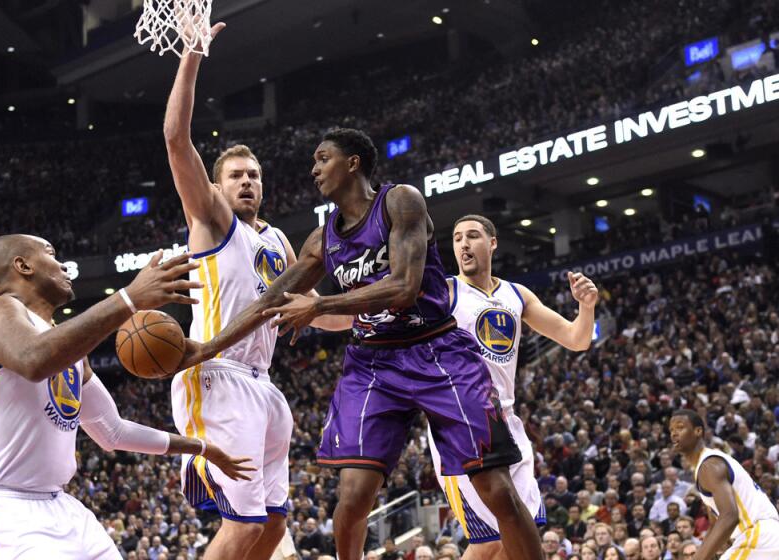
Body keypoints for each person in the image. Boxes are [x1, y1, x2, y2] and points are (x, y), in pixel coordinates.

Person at [199, 128, 544, 560]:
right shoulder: (323, 237)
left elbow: (403, 286)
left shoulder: (400, 201)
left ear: (353, 163)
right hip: (373, 363)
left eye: (323, 158)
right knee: (352, 499)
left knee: (497, 490)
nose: (314, 169)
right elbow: (269, 301)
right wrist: (205, 348)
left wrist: (321, 303)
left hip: (436, 348)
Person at [0, 235, 253, 559]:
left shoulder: (73, 354)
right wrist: (129, 298)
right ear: (23, 265)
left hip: (59, 506)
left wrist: (202, 447)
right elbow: (32, 360)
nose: (63, 264)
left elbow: (112, 431)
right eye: (51, 253)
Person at [162, 22, 349, 560]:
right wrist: (192, 56)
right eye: (237, 175)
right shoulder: (214, 221)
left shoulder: (278, 241)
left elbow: (310, 313)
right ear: (217, 187)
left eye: (256, 175)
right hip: (215, 373)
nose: (248, 182)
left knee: (270, 525)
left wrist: (366, 317)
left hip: (263, 385)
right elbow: (176, 139)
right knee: (243, 527)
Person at [428, 214, 599, 559]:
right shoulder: (444, 291)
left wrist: (586, 306)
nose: (463, 243)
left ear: (492, 243)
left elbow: (576, 339)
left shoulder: (517, 294)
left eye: (473, 236)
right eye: (457, 237)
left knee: (522, 533)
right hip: (461, 424)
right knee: (489, 541)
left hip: (507, 421)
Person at [669, 409, 779, 560]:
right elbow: (715, 524)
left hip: (758, 536)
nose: (674, 433)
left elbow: (729, 516)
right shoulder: (706, 466)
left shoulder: (709, 466)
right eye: (671, 430)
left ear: (698, 431)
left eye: (680, 427)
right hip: (765, 537)